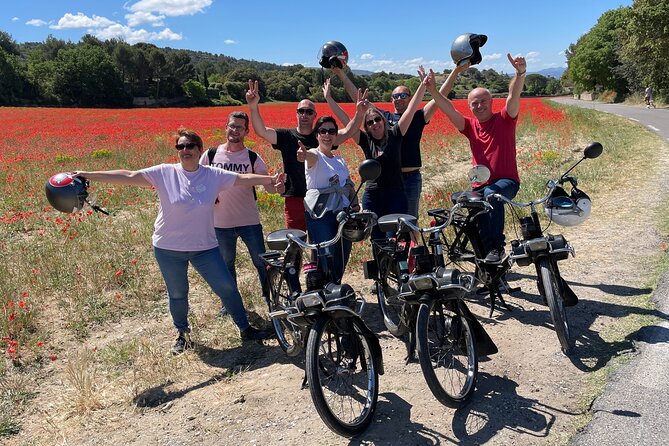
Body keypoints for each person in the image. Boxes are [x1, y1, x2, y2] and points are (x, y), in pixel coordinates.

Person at [73, 127, 285, 354]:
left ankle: (245, 328)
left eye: (190, 146)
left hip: (204, 247)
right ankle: (182, 335)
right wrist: (88, 174)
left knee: (227, 287)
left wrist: (270, 178)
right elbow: (129, 175)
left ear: (199, 149)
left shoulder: (213, 175)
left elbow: (243, 179)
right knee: (178, 293)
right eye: (180, 146)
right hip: (168, 248)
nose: (185, 150)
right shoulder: (165, 172)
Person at [431, 53, 527, 263]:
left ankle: (498, 248)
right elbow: (448, 109)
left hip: (506, 182)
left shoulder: (505, 119)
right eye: (474, 103)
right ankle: (486, 271)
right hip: (479, 186)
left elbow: (513, 96)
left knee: (492, 195)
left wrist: (520, 74)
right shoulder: (470, 127)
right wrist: (431, 90)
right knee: (479, 223)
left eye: (483, 101)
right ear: (470, 107)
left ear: (491, 102)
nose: (479, 106)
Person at [332, 65, 456, 218]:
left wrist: (455, 71)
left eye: (403, 95)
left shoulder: (419, 116)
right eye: (395, 96)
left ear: (410, 98)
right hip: (385, 179)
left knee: (409, 222)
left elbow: (440, 96)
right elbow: (359, 100)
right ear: (391, 99)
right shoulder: (382, 118)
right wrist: (342, 74)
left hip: (410, 178)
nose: (399, 98)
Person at [329, 68, 430, 238]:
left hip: (396, 193)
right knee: (376, 237)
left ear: (384, 121)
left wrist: (423, 86)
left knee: (394, 237)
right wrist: (329, 99)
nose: (374, 123)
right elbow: (347, 122)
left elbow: (411, 109)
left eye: (377, 119)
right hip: (373, 194)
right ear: (366, 127)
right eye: (370, 122)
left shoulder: (396, 134)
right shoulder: (365, 141)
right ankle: (381, 264)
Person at [200, 111, 284, 316]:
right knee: (226, 264)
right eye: (231, 125)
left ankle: (271, 297)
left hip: (249, 221)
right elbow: (198, 182)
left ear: (246, 131)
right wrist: (209, 195)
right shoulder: (210, 155)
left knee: (260, 262)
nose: (234, 130)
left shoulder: (252, 157)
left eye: (239, 127)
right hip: (220, 223)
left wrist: (278, 186)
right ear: (225, 127)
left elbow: (269, 186)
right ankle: (229, 303)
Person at [296, 87, 368, 283]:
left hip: (343, 211)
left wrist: (354, 200)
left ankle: (334, 289)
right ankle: (323, 292)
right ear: (317, 135)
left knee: (343, 252)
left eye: (331, 131)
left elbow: (347, 184)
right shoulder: (314, 155)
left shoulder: (339, 160)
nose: (327, 135)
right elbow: (308, 157)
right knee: (325, 255)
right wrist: (303, 155)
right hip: (321, 214)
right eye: (322, 131)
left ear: (335, 136)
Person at [246, 80, 322, 231]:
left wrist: (359, 112)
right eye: (301, 111)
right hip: (294, 197)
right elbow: (262, 131)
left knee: (319, 245)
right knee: (295, 245)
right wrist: (253, 106)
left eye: (309, 112)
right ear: (296, 114)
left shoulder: (323, 136)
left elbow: (347, 132)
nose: (304, 115)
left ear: (315, 116)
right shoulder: (287, 136)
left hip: (320, 196)